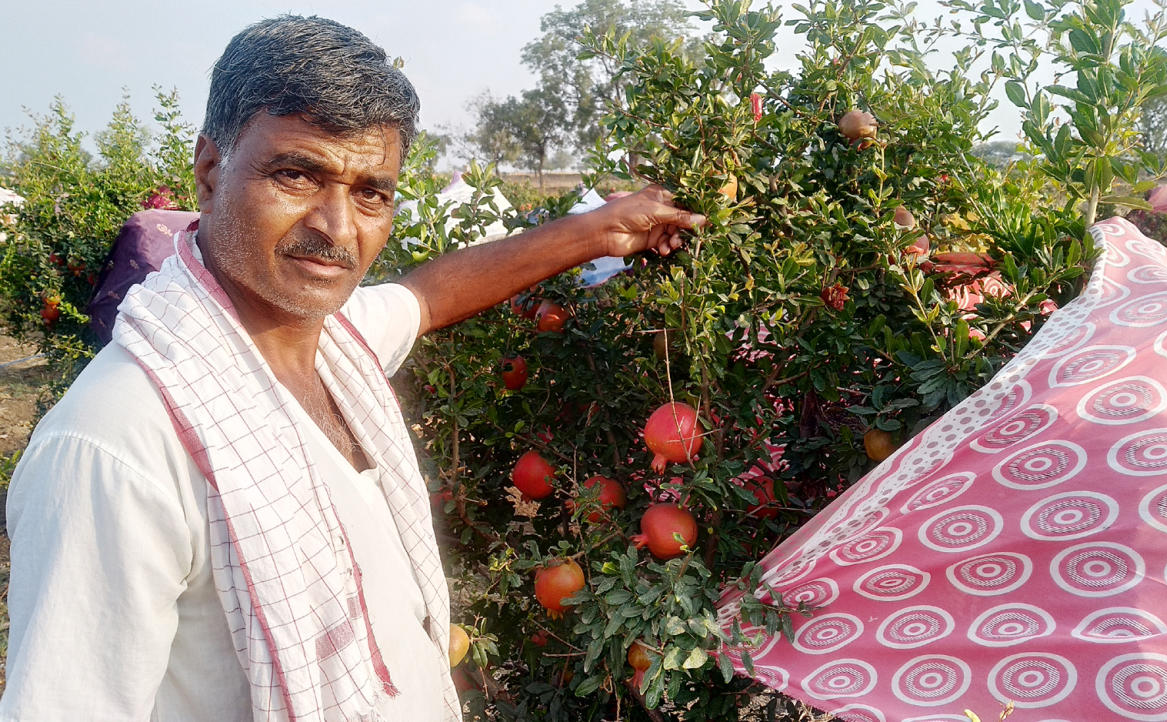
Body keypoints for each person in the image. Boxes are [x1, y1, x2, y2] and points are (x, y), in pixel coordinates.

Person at [0, 15, 704, 722]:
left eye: (372, 192)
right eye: (296, 174)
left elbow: (427, 297)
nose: (337, 228)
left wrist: (600, 231)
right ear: (210, 170)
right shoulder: (114, 446)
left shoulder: (335, 345)